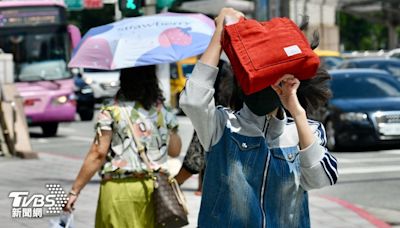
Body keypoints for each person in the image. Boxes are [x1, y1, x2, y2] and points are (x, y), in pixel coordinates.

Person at [179, 8, 338, 227]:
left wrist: (296, 110)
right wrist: (220, 35)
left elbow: (319, 178)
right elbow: (193, 100)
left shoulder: (305, 131)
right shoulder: (223, 127)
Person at [64, 65, 182, 228]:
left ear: (123, 78)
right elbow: (175, 151)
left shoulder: (111, 109)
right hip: (155, 192)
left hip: (119, 189)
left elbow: (98, 153)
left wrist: (74, 191)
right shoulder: (163, 109)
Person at [175, 60, 241, 195]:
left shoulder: (210, 115)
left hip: (210, 118)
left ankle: (197, 186)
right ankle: (200, 186)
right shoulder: (230, 77)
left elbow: (193, 162)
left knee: (201, 152)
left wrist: (174, 183)